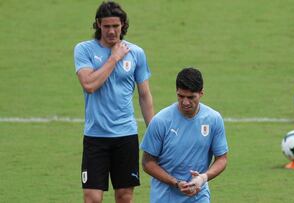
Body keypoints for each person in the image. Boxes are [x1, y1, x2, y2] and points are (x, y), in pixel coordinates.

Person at [73, 1, 154, 202]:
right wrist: (114, 58)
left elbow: (144, 95)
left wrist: (153, 130)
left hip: (125, 135)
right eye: (107, 26)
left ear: (123, 25)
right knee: (92, 197)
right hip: (95, 136)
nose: (111, 31)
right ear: (98, 25)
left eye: (115, 26)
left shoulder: (136, 53)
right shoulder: (84, 50)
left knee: (125, 196)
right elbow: (89, 85)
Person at [140, 67, 228, 203]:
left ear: (201, 93)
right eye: (181, 96)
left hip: (198, 196)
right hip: (165, 198)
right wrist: (176, 183)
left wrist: (202, 178)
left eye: (191, 97)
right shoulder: (161, 121)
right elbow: (147, 162)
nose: (185, 102)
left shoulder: (213, 119)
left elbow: (222, 159)